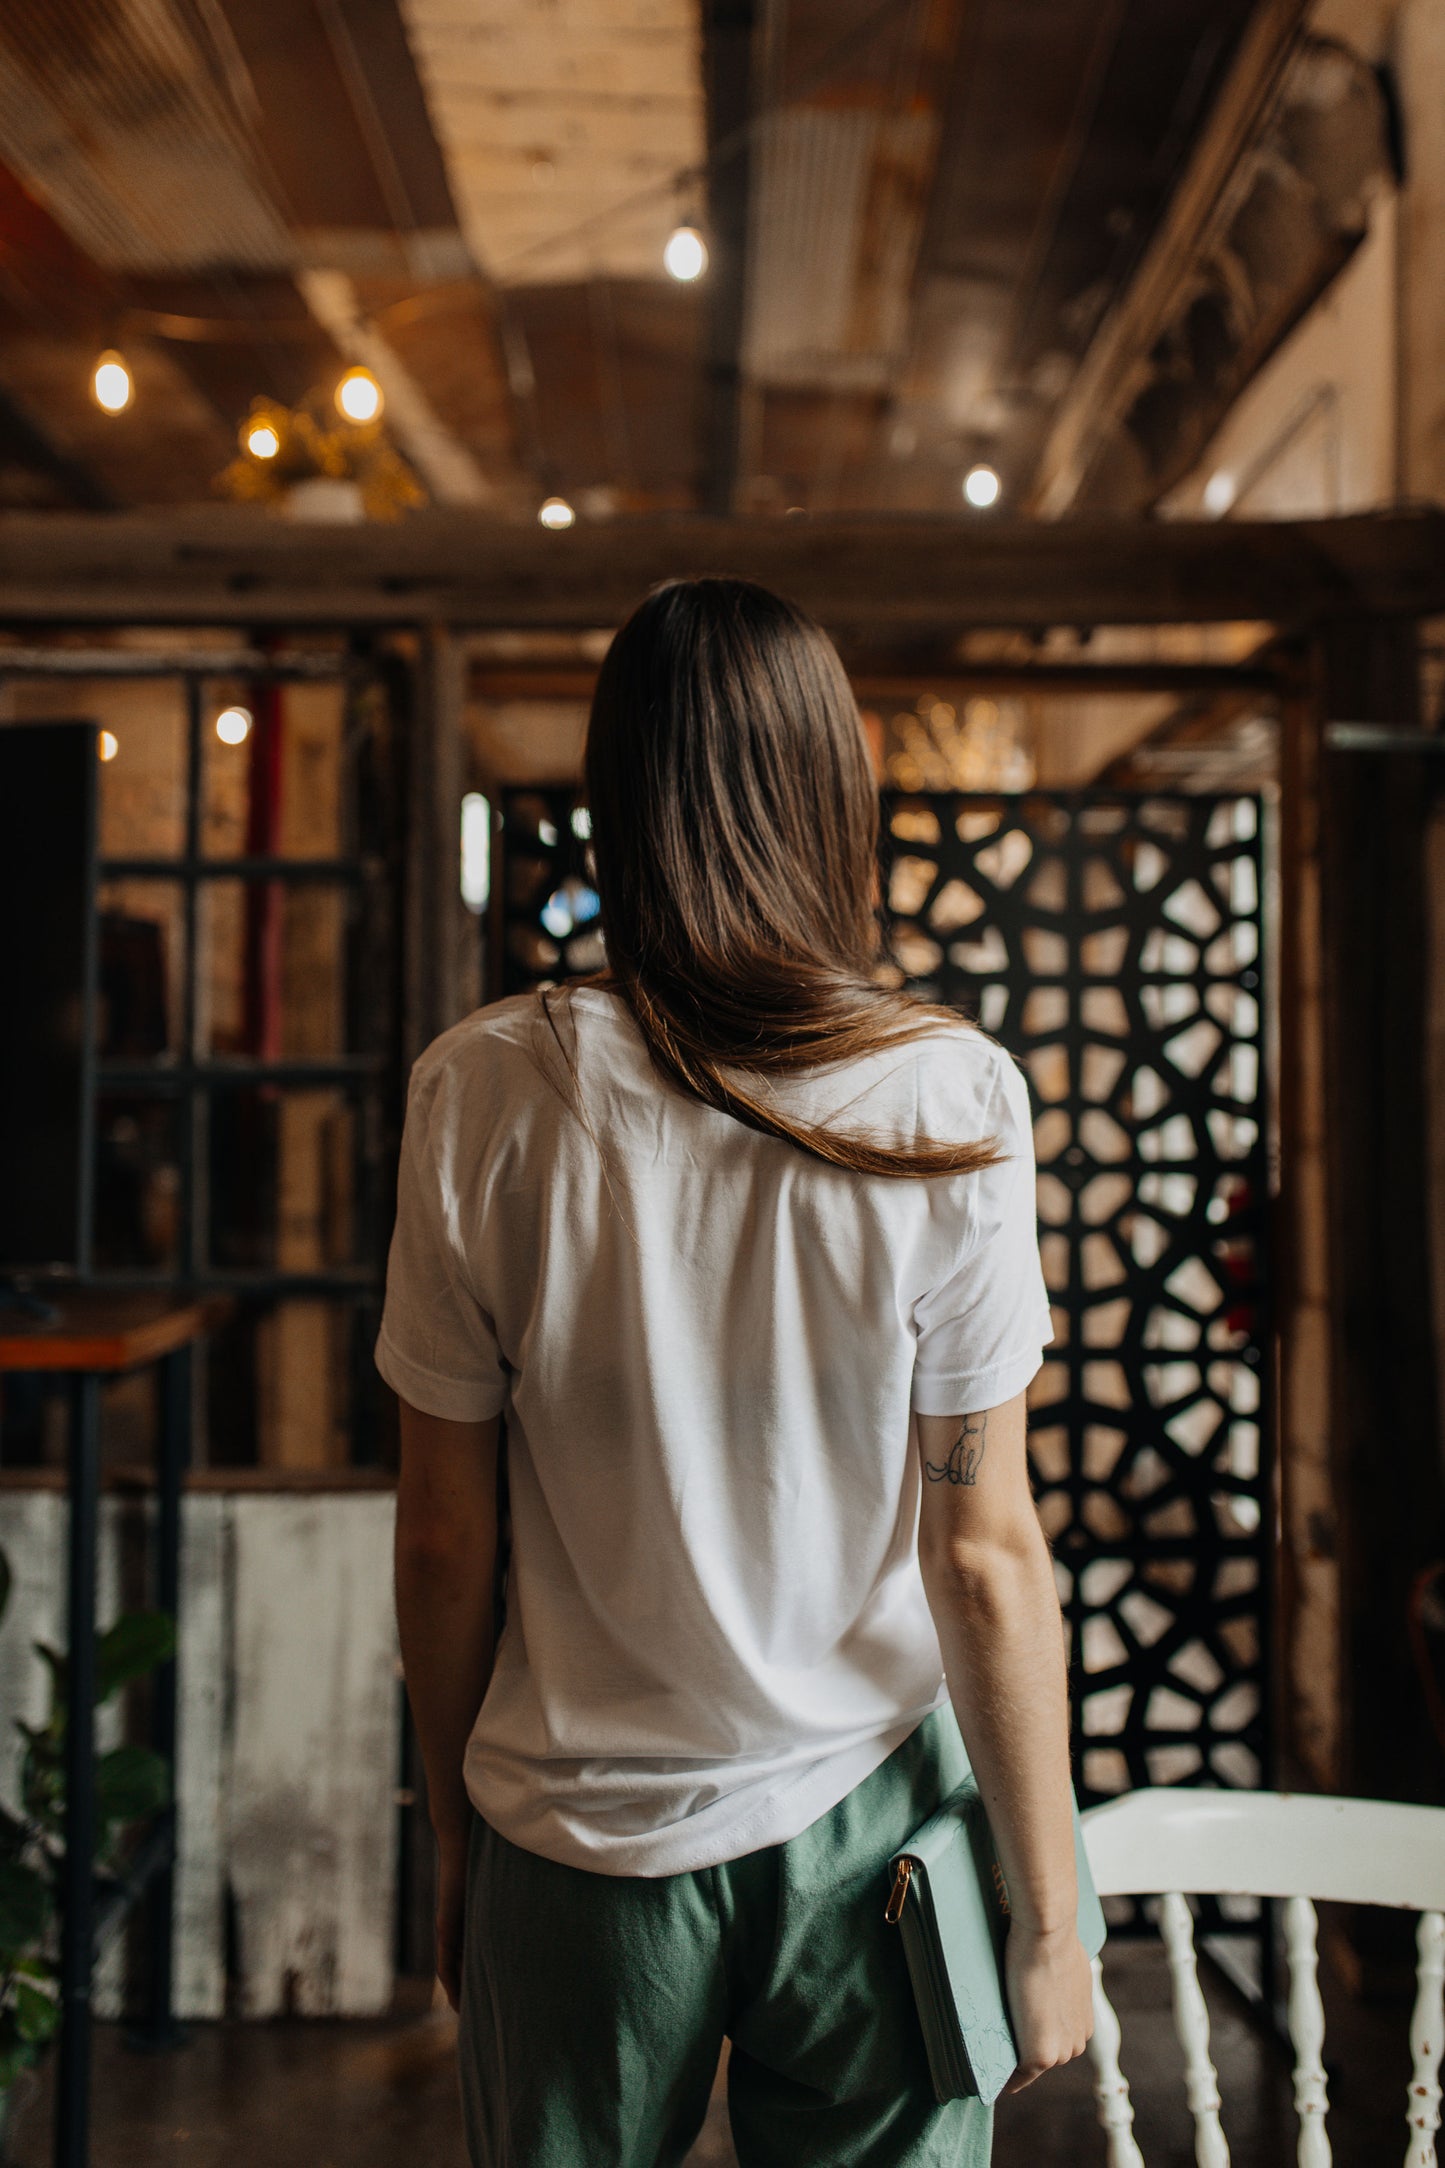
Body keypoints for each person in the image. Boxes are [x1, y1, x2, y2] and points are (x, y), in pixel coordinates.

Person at [380, 577, 1093, 2168]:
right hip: (871, 1839)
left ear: (614, 798)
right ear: (830, 789)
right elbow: (983, 1555)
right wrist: (1051, 1916)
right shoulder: (946, 1095)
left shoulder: (483, 1092)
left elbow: (441, 1537)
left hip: (564, 1829)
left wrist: (452, 1840)